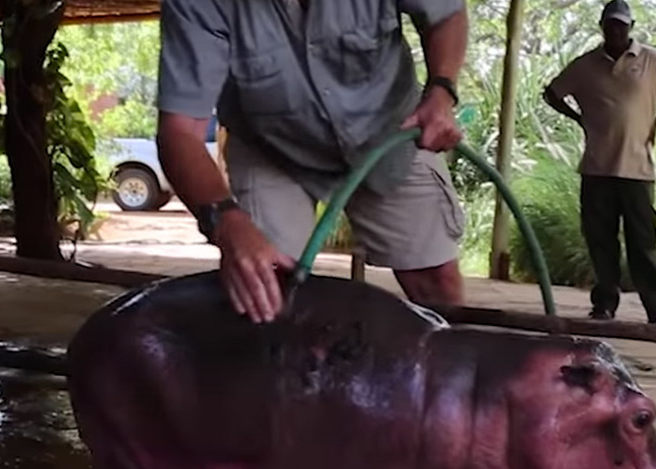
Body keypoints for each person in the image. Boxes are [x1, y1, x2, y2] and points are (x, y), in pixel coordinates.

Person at [155, 0, 470, 324]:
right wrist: (225, 220)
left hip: (389, 133)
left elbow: (447, 15)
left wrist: (441, 91)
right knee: (265, 291)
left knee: (437, 284)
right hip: (271, 148)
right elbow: (180, 133)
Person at [543, 0, 656, 326]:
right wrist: (578, 118)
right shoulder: (585, 65)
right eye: (610, 25)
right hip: (597, 168)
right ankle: (604, 304)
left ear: (630, 26)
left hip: (637, 169)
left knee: (643, 242)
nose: (616, 30)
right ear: (602, 26)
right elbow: (552, 93)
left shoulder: (653, 60)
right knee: (601, 241)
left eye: (621, 25)